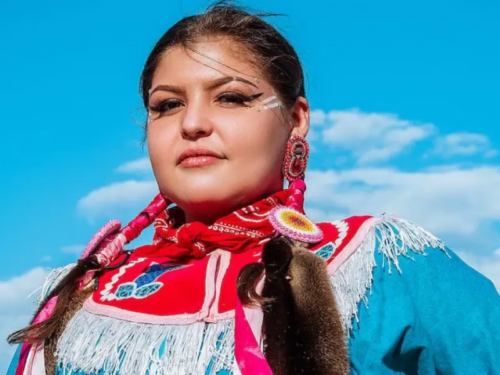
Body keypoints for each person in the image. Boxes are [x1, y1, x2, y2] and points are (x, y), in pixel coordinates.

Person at [6, 3, 500, 375]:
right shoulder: (80, 295)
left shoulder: (385, 265)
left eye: (232, 97)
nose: (193, 123)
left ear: (296, 119)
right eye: (167, 106)